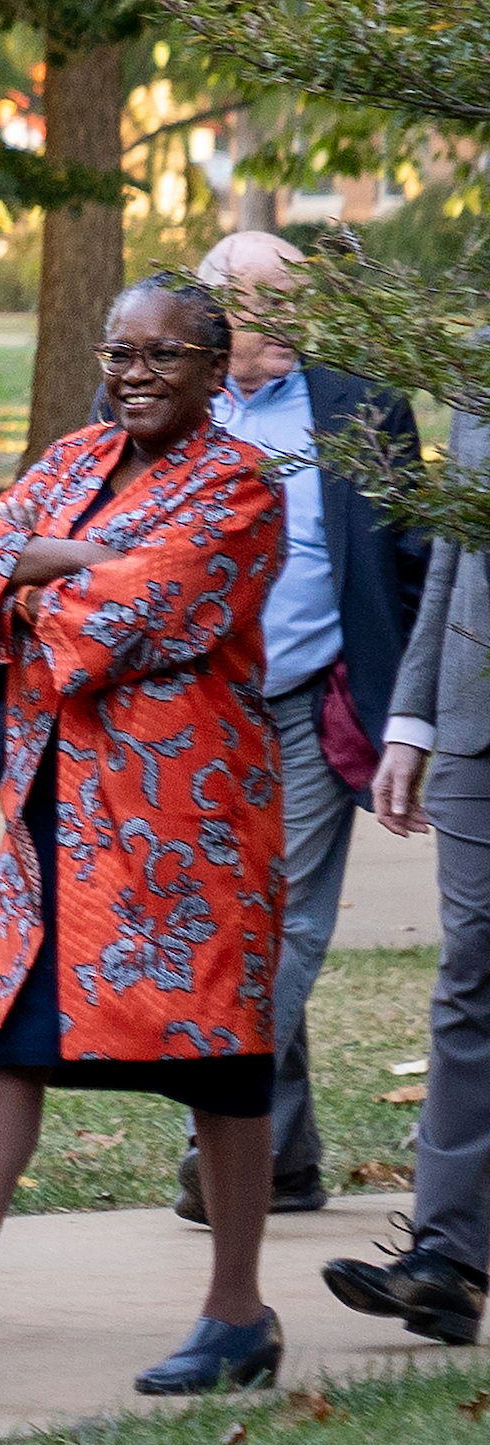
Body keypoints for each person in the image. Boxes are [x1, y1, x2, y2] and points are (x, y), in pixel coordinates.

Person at [0, 274, 287, 1401]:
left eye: (163, 356)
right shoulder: (72, 457)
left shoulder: (240, 484)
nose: (134, 374)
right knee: (8, 1041)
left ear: (213, 366)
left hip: (186, 830)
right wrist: (55, 563)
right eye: (119, 351)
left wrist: (39, 568)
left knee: (221, 1057)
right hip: (56, 810)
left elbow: (147, 611)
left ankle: (238, 1313)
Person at [170, 231, 429, 1223]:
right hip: (198, 709)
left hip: (313, 699)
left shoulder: (361, 407)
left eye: (298, 303)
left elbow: (407, 558)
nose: (290, 323)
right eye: (265, 304)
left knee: (291, 918)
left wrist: (411, 700)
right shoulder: (168, 397)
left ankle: (217, 1118)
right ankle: (281, 1159)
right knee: (229, 920)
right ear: (210, 318)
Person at [322, 403, 490, 1346]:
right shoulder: (477, 366)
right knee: (471, 973)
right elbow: (452, 568)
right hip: (477, 730)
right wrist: (413, 721)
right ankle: (447, 1259)